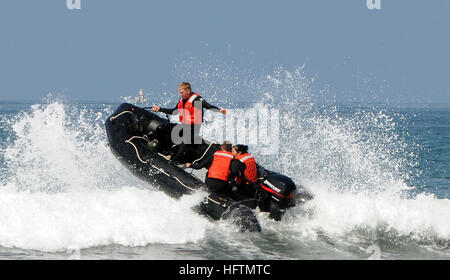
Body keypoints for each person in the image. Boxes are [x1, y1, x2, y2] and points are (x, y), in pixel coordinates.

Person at [152, 82, 227, 163]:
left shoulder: (196, 100)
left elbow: (208, 106)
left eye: (182, 92)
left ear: (188, 91)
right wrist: (159, 109)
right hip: (183, 126)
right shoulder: (182, 99)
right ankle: (164, 149)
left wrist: (219, 110)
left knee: (186, 139)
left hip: (193, 128)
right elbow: (174, 111)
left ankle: (175, 160)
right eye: (180, 92)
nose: (180, 94)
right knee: (161, 128)